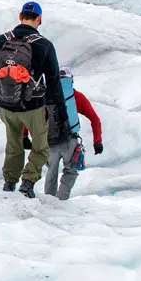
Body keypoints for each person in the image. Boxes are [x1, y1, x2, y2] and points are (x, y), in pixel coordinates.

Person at [0, 1, 69, 198]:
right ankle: (27, 183)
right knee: (40, 147)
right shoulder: (44, 45)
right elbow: (54, 82)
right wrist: (62, 114)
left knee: (14, 145)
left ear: (20, 16)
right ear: (39, 19)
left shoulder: (0, 40)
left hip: (6, 105)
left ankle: (9, 183)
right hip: (33, 108)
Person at [42, 66, 104, 200]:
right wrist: (97, 142)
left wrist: (25, 136)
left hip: (49, 140)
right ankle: (61, 199)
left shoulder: (45, 95)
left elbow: (33, 117)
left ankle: (49, 201)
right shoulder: (75, 96)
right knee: (70, 171)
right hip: (70, 140)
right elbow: (95, 120)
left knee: (51, 171)